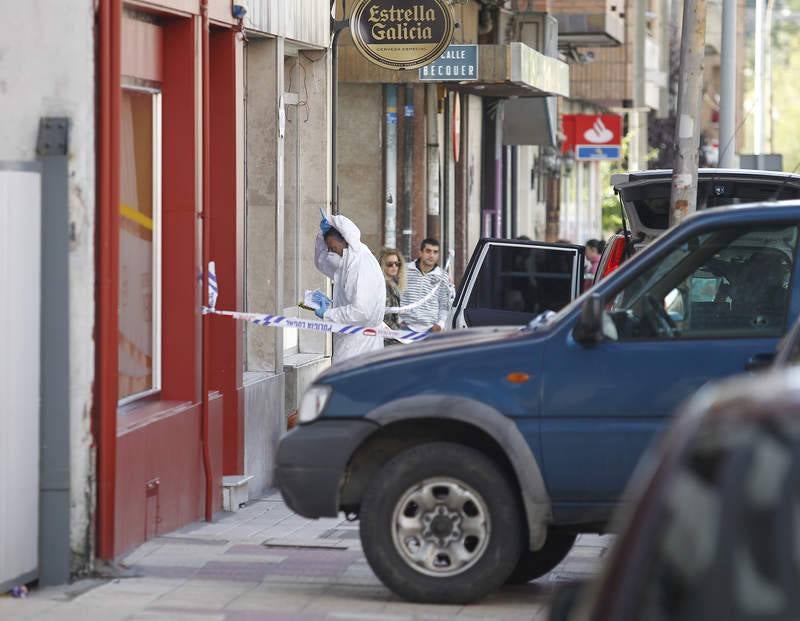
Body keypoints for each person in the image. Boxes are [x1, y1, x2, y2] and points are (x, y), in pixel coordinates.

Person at [314, 214, 386, 364]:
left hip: (358, 344)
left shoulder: (360, 264)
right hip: (356, 340)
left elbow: (361, 312)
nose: (332, 252)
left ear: (345, 240)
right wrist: (322, 236)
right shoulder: (349, 261)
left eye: (333, 247)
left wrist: (328, 314)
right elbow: (322, 263)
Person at [399, 238, 451, 333]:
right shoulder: (405, 270)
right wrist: (398, 320)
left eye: (435, 252)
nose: (431, 255)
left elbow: (444, 305)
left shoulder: (442, 276)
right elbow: (396, 295)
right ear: (420, 252)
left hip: (430, 330)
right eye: (428, 251)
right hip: (404, 328)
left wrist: (440, 324)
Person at [378, 249, 406, 344]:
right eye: (390, 264)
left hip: (391, 336)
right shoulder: (385, 286)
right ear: (383, 266)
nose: (394, 267)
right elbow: (386, 318)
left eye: (397, 264)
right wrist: (400, 338)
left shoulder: (393, 285)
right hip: (387, 339)